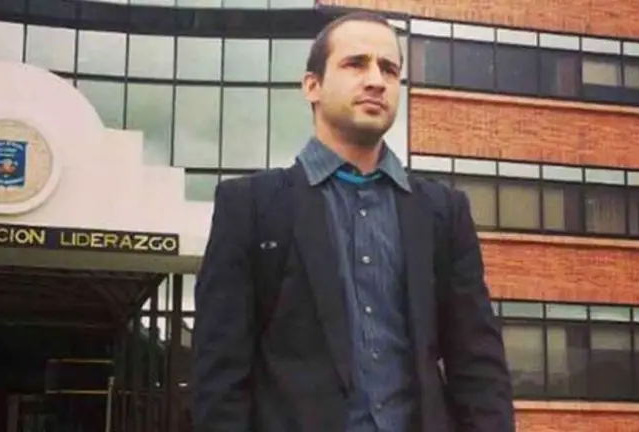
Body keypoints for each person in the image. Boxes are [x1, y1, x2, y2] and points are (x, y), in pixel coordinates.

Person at [191, 11, 515, 432]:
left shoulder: (442, 211)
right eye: (355, 64)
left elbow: (478, 365)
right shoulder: (251, 207)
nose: (376, 80)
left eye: (389, 69)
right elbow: (219, 378)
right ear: (312, 86)